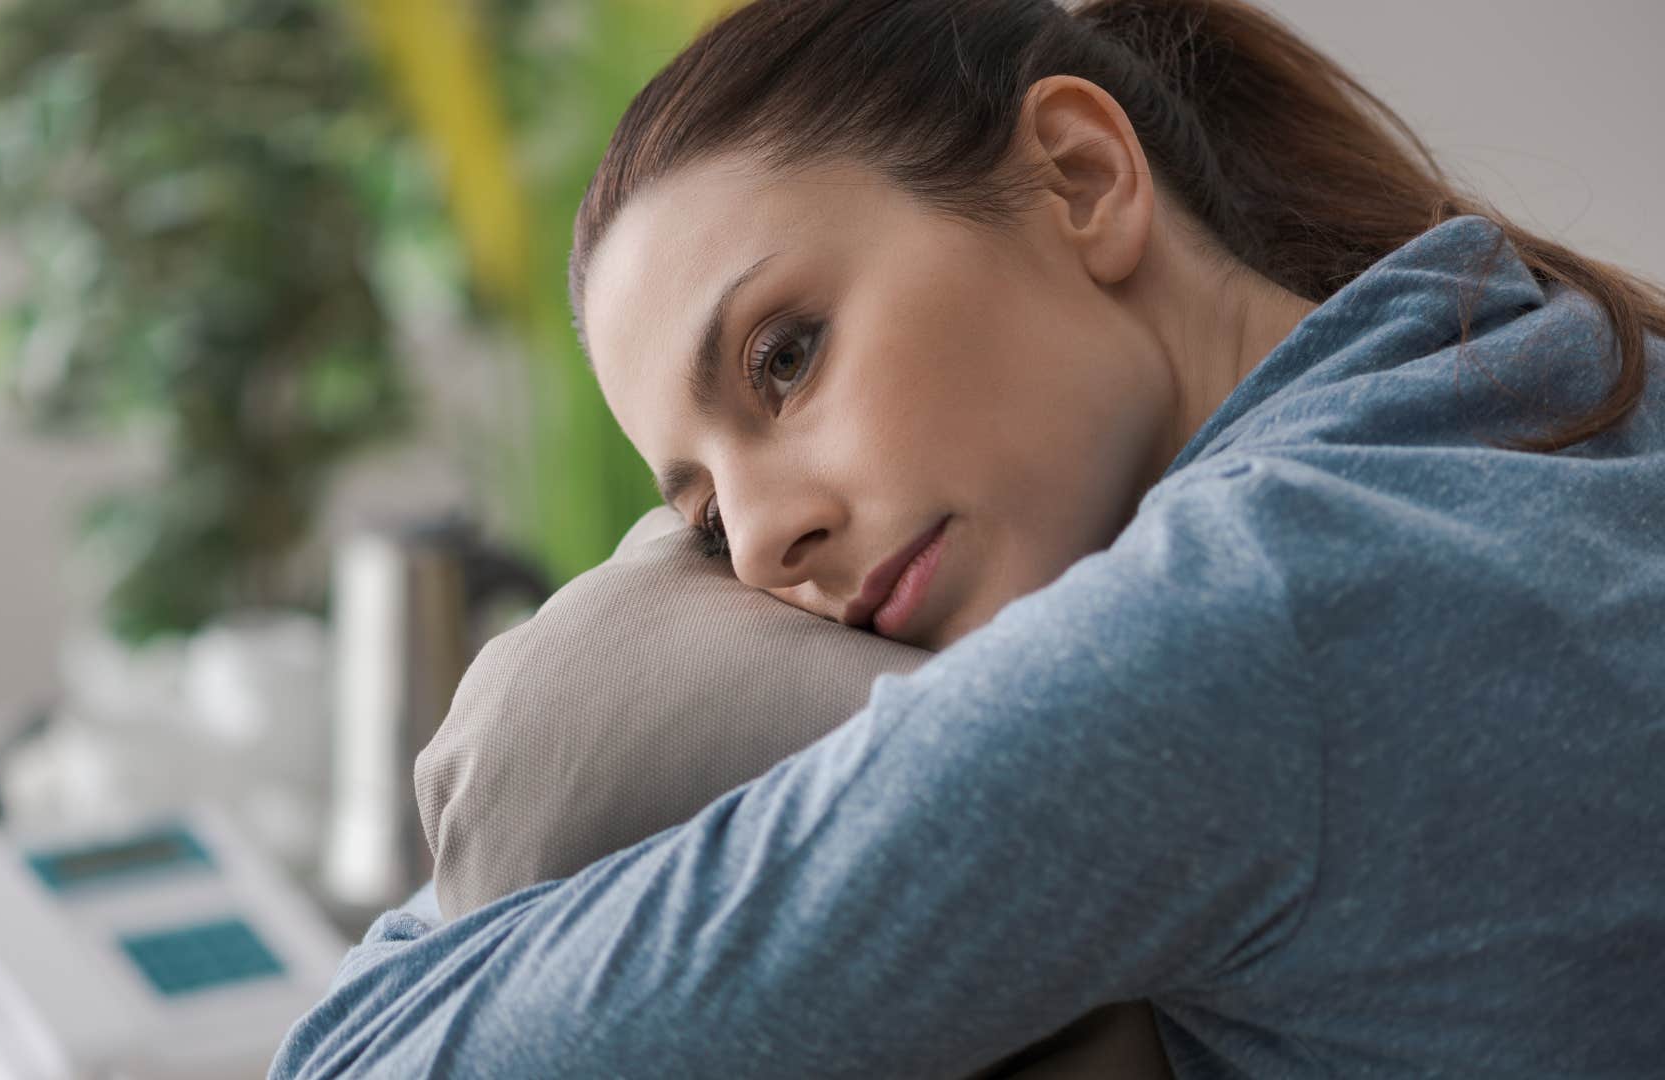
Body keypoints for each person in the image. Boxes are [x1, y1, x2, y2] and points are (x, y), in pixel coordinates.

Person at [270, 0, 1665, 1076]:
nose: (766, 547)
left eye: (785, 358)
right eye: (699, 518)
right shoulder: (1548, 357)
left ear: (1077, 176)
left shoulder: (1238, 637)